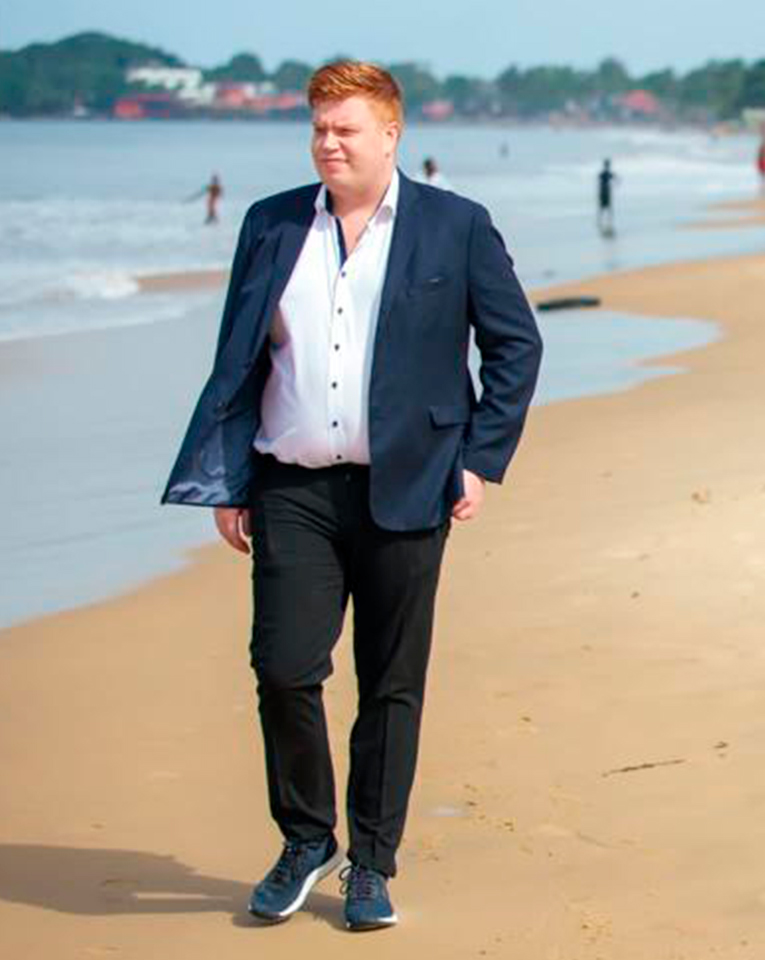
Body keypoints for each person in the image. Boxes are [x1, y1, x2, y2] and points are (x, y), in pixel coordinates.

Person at [161, 60, 542, 933]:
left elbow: (515, 347)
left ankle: (370, 863)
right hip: (290, 483)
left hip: (410, 486)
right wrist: (228, 476)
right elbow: (238, 358)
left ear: (391, 135)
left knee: (390, 684)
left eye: (346, 130)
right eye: (319, 128)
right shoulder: (270, 224)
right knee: (284, 668)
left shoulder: (458, 227)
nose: (328, 144)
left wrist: (479, 458)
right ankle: (305, 839)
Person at [595, 158, 617, 236]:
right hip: (606, 192)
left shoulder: (603, 173)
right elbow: (615, 178)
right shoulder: (607, 173)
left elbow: (599, 182)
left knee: (603, 208)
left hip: (603, 192)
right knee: (608, 208)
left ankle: (601, 222)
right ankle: (607, 222)